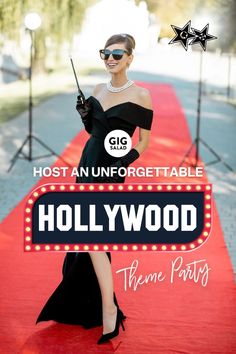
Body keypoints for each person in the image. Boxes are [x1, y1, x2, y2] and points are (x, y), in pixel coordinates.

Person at [36, 33, 153, 344]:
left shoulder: (141, 95)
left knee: (93, 237)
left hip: (112, 171)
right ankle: (101, 307)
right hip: (88, 165)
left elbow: (143, 141)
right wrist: (85, 117)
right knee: (88, 239)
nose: (111, 58)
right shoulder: (98, 89)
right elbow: (94, 131)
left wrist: (125, 160)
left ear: (130, 58)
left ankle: (108, 311)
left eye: (117, 53)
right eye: (106, 53)